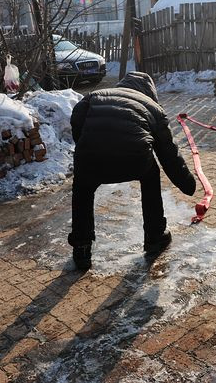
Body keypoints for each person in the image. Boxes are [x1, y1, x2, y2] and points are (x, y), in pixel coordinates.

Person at [68, 71, 196, 270]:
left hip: (90, 156)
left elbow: (77, 118)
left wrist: (86, 146)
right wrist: (187, 183)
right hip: (134, 159)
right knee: (151, 175)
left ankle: (81, 247)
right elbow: (168, 153)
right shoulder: (153, 107)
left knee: (82, 188)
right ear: (149, 91)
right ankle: (155, 236)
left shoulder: (95, 96)